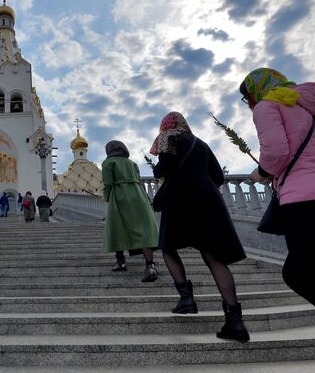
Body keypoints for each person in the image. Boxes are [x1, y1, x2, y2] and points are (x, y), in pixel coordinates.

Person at [240, 68, 315, 350]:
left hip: (305, 203)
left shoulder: (267, 106)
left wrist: (260, 173)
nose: (248, 103)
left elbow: (275, 152)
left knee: (299, 275)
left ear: (255, 90)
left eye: (246, 97)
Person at [150, 112, 249, 342]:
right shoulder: (200, 143)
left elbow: (161, 170)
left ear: (165, 126)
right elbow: (217, 175)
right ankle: (235, 322)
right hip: (208, 200)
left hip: (180, 201)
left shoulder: (167, 139)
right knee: (214, 256)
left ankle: (186, 299)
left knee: (167, 247)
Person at [102, 140, 159, 283]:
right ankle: (150, 266)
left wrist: (107, 197)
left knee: (117, 228)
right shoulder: (132, 163)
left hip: (120, 195)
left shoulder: (108, 163)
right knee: (142, 229)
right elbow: (139, 181)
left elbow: (108, 183)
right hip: (138, 195)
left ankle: (121, 262)